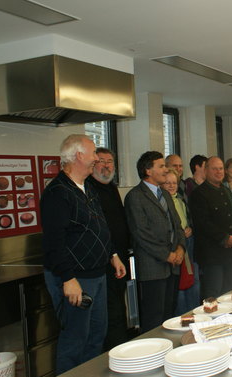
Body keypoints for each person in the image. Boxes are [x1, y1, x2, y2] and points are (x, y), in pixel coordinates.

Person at [41, 135, 126, 374]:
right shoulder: (58, 192)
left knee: (97, 335)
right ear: (78, 155)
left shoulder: (88, 187)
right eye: (92, 154)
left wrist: (113, 255)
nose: (96, 159)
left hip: (97, 273)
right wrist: (68, 279)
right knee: (75, 339)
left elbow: (100, 226)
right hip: (76, 278)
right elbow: (53, 243)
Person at [125, 151, 186, 332]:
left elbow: (177, 226)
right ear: (148, 170)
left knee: (169, 315)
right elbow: (141, 234)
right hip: (153, 267)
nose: (165, 169)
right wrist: (167, 255)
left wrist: (181, 249)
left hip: (172, 266)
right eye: (161, 166)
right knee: (153, 318)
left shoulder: (165, 194)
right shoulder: (135, 197)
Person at [88, 147, 132, 350]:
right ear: (92, 164)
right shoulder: (88, 188)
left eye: (110, 162)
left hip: (120, 259)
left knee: (118, 309)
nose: (106, 165)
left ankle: (121, 350)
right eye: (101, 161)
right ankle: (116, 353)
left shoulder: (111, 187)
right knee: (110, 313)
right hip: (102, 261)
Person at [188, 157, 232, 298]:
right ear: (206, 171)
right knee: (213, 294)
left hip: (230, 252)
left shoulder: (226, 190)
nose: (219, 172)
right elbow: (203, 223)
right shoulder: (198, 194)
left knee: (230, 293)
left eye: (221, 168)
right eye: (214, 168)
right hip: (212, 255)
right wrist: (224, 238)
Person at [161, 168, 199, 316]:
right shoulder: (163, 203)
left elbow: (186, 219)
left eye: (174, 183)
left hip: (188, 242)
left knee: (192, 279)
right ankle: (182, 315)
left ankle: (194, 313)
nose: (171, 186)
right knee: (180, 283)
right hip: (175, 247)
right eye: (167, 183)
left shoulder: (181, 200)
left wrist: (190, 228)